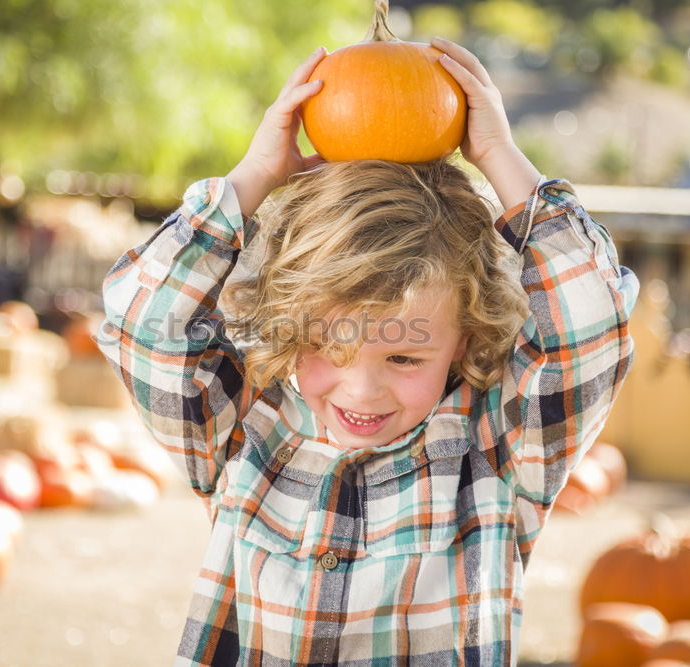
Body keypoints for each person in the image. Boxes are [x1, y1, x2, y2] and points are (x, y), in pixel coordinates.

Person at [96, 37, 639, 666]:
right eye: (327, 346)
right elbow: (141, 322)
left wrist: (500, 156)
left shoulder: (497, 454)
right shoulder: (242, 435)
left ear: (462, 337)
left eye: (405, 358)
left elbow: (591, 328)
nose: (360, 390)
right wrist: (253, 179)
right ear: (289, 324)